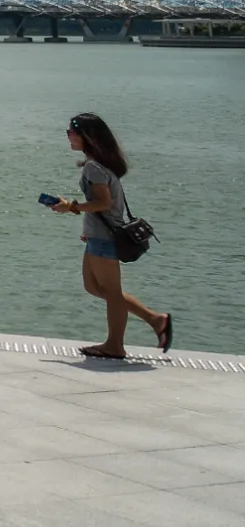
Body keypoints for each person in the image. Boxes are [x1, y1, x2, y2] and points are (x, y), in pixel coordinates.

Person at [47, 113, 173, 358]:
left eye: (71, 132)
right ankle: (156, 320)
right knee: (93, 287)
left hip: (104, 238)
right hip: (98, 235)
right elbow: (102, 205)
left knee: (111, 292)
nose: (68, 137)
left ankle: (115, 345)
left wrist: (71, 206)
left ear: (88, 137)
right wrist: (85, 225)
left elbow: (103, 203)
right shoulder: (97, 165)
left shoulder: (94, 168)